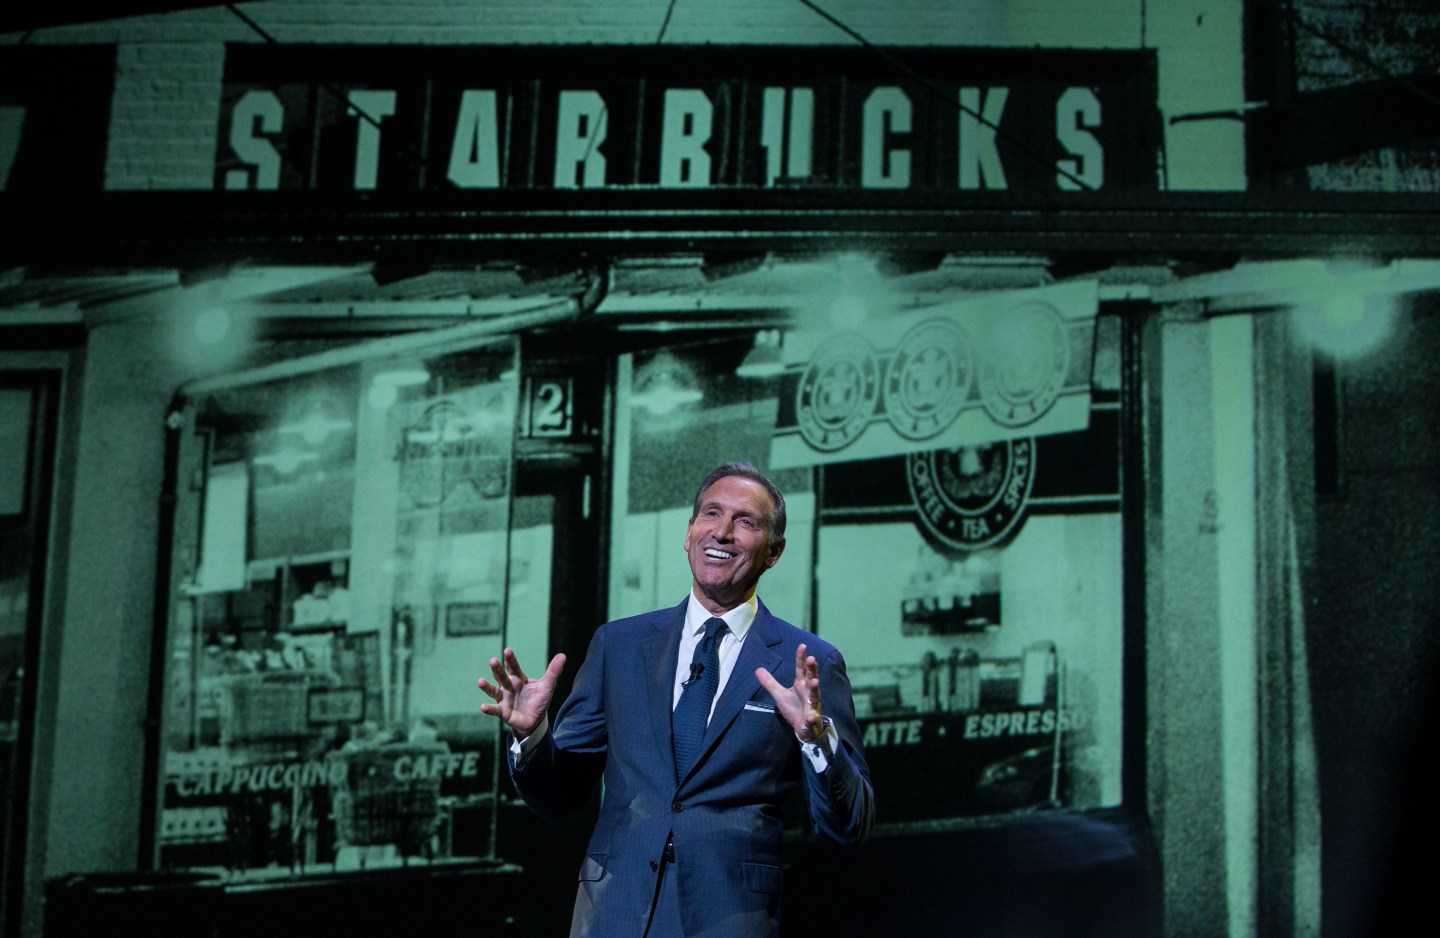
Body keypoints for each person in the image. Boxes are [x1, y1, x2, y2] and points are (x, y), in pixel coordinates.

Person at [478, 461, 874, 937]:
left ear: (774, 552)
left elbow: (850, 825)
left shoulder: (806, 662)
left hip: (727, 915)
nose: (722, 532)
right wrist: (531, 735)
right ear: (689, 533)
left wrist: (816, 742)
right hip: (613, 911)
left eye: (746, 522)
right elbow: (560, 795)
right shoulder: (618, 646)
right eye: (711, 514)